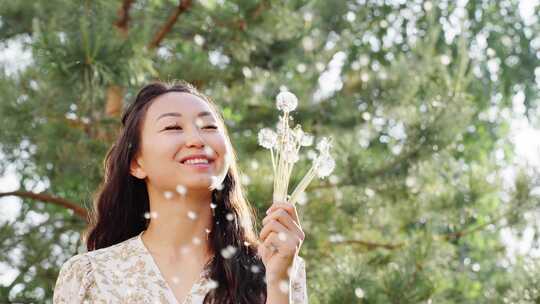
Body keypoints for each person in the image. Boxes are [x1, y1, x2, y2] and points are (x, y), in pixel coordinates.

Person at [52, 81, 308, 304]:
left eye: (209, 127)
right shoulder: (91, 275)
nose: (197, 139)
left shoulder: (275, 265)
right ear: (136, 162)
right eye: (173, 127)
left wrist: (277, 280)